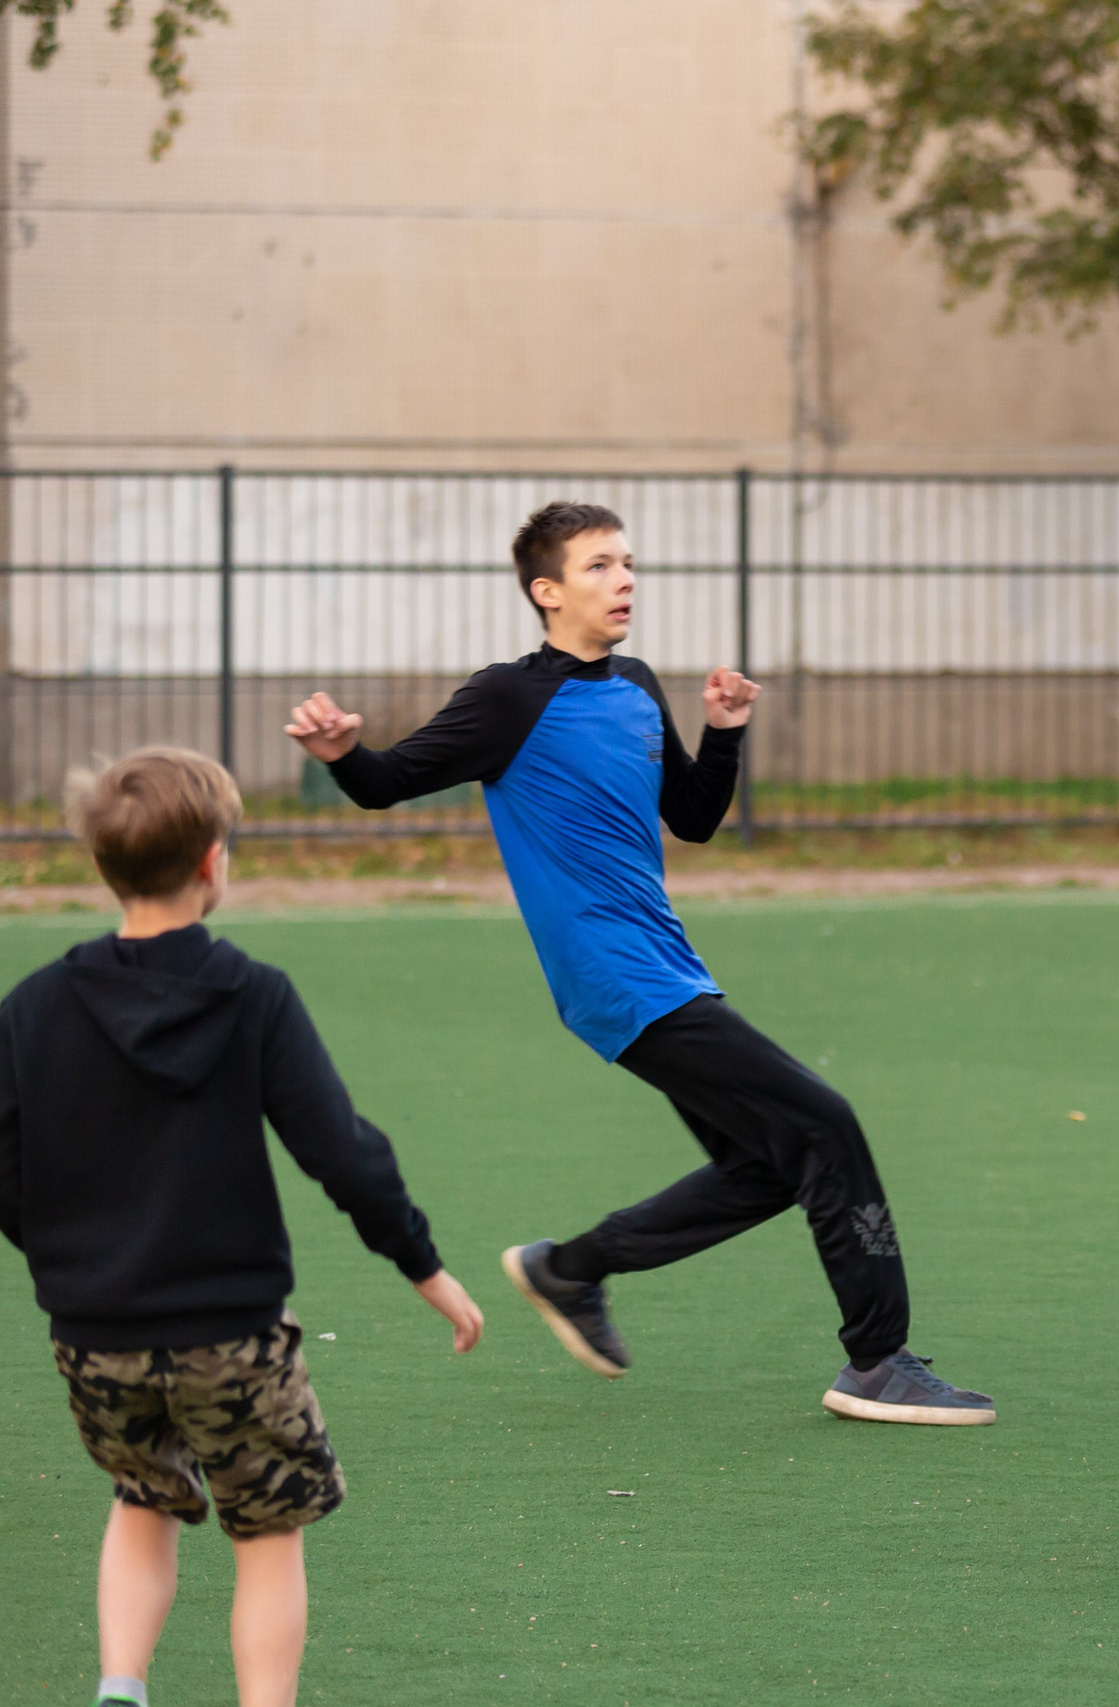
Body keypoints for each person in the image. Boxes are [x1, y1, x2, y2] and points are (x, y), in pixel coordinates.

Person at [283, 501, 992, 1424]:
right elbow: (385, 782)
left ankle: (569, 1269)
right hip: (619, 978)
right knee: (826, 1122)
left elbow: (691, 817)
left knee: (771, 1165)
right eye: (598, 566)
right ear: (547, 592)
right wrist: (343, 754)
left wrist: (726, 730)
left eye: (627, 562)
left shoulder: (639, 685)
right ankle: (877, 1360)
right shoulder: (507, 698)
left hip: (668, 965)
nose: (623, 580)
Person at [0, 748, 483, 1707]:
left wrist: (63, 1252)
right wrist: (427, 1269)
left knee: (143, 1500)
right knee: (265, 1536)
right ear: (216, 860)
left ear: (103, 864)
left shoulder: (36, 1006)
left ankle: (120, 1688)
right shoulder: (254, 997)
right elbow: (343, 1153)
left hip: (96, 1336)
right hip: (234, 1336)